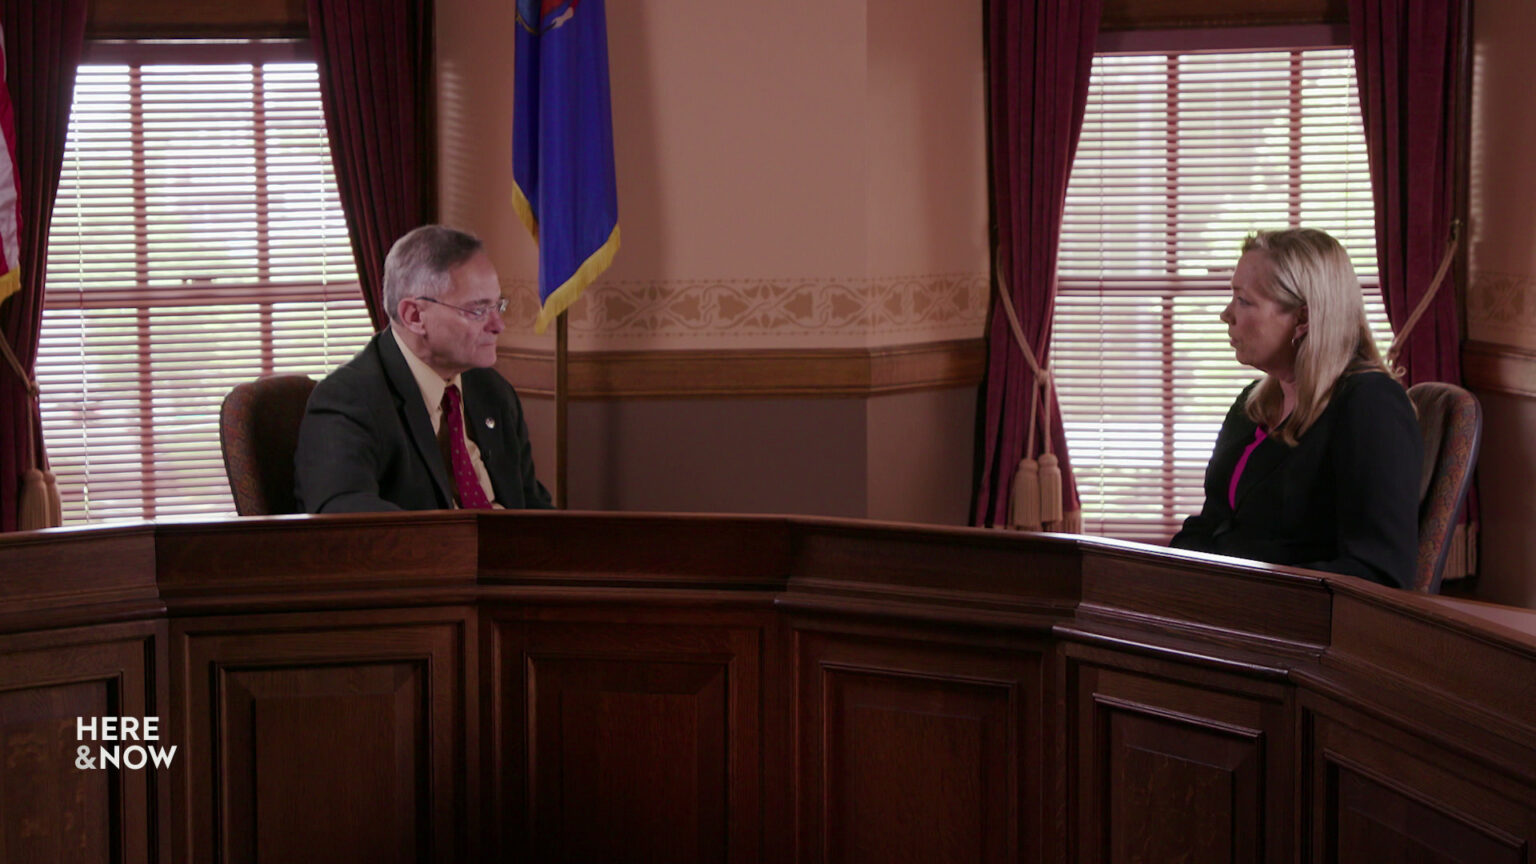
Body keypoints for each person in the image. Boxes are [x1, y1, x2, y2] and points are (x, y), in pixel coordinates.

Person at [1169, 228, 1421, 589]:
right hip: (1221, 606)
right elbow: (1211, 524)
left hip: (1292, 626)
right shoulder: (1251, 404)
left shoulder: (1372, 407)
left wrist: (1236, 590)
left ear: (1302, 319)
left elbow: (1379, 572)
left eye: (1243, 300)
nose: (1226, 314)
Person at [294, 225, 553, 513]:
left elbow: (532, 506)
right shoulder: (349, 399)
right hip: (426, 557)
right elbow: (343, 512)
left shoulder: (492, 390)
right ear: (414, 316)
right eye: (478, 310)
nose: (497, 326)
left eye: (497, 306)